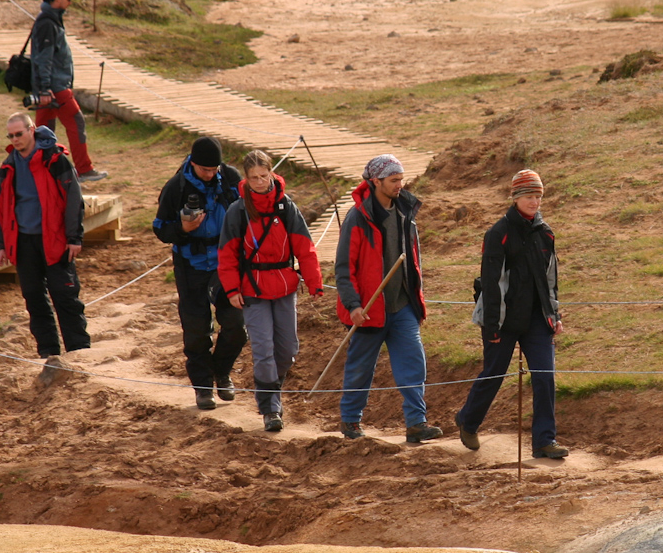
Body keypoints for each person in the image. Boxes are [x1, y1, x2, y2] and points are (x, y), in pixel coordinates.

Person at [457, 169, 568, 459]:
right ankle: (468, 421)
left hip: (537, 320)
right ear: (515, 197)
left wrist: (554, 315)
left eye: (538, 196)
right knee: (493, 374)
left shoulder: (546, 233)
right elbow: (491, 284)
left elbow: (550, 280)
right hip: (502, 322)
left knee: (544, 377)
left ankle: (544, 441)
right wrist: (492, 326)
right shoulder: (498, 234)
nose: (534, 202)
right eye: (529, 196)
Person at [335, 155, 442, 443]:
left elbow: (415, 261)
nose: (400, 185)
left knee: (414, 363)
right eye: (394, 180)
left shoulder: (406, 212)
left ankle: (416, 423)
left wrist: (417, 301)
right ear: (376, 181)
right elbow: (344, 268)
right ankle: (350, 421)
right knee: (360, 368)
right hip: (369, 309)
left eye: (401, 179)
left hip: (403, 305)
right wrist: (354, 305)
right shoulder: (357, 218)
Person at [217, 151, 323, 432]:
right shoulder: (237, 211)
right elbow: (226, 255)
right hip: (252, 289)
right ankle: (270, 409)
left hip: (285, 286)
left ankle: (272, 389)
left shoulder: (287, 207)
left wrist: (314, 281)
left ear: (272, 173)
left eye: (264, 176)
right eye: (254, 178)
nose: (260, 182)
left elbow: (304, 247)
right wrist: (232, 289)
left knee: (287, 351)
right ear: (246, 179)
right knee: (263, 351)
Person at [154, 137, 247, 410]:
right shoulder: (175, 187)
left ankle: (222, 372)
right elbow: (160, 228)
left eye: (213, 169)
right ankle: (203, 387)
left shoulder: (231, 179)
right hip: (190, 265)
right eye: (204, 169)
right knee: (196, 331)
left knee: (237, 326)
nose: (210, 174)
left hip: (227, 264)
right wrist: (183, 229)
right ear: (193, 163)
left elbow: (248, 213)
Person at [0, 112, 90, 358]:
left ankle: (79, 351)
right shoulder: (8, 166)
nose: (15, 139)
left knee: (65, 296)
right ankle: (48, 353)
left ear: (31, 129)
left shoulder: (56, 160)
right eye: (10, 136)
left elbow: (74, 199)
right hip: (23, 243)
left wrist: (74, 237)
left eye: (19, 134)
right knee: (34, 299)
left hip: (56, 240)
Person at [30, 0, 107, 184]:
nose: (69, 3)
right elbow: (44, 58)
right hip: (55, 88)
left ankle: (40, 171)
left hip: (49, 87)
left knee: (43, 130)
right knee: (76, 122)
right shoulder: (48, 23)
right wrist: (45, 88)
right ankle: (84, 169)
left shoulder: (48, 20)